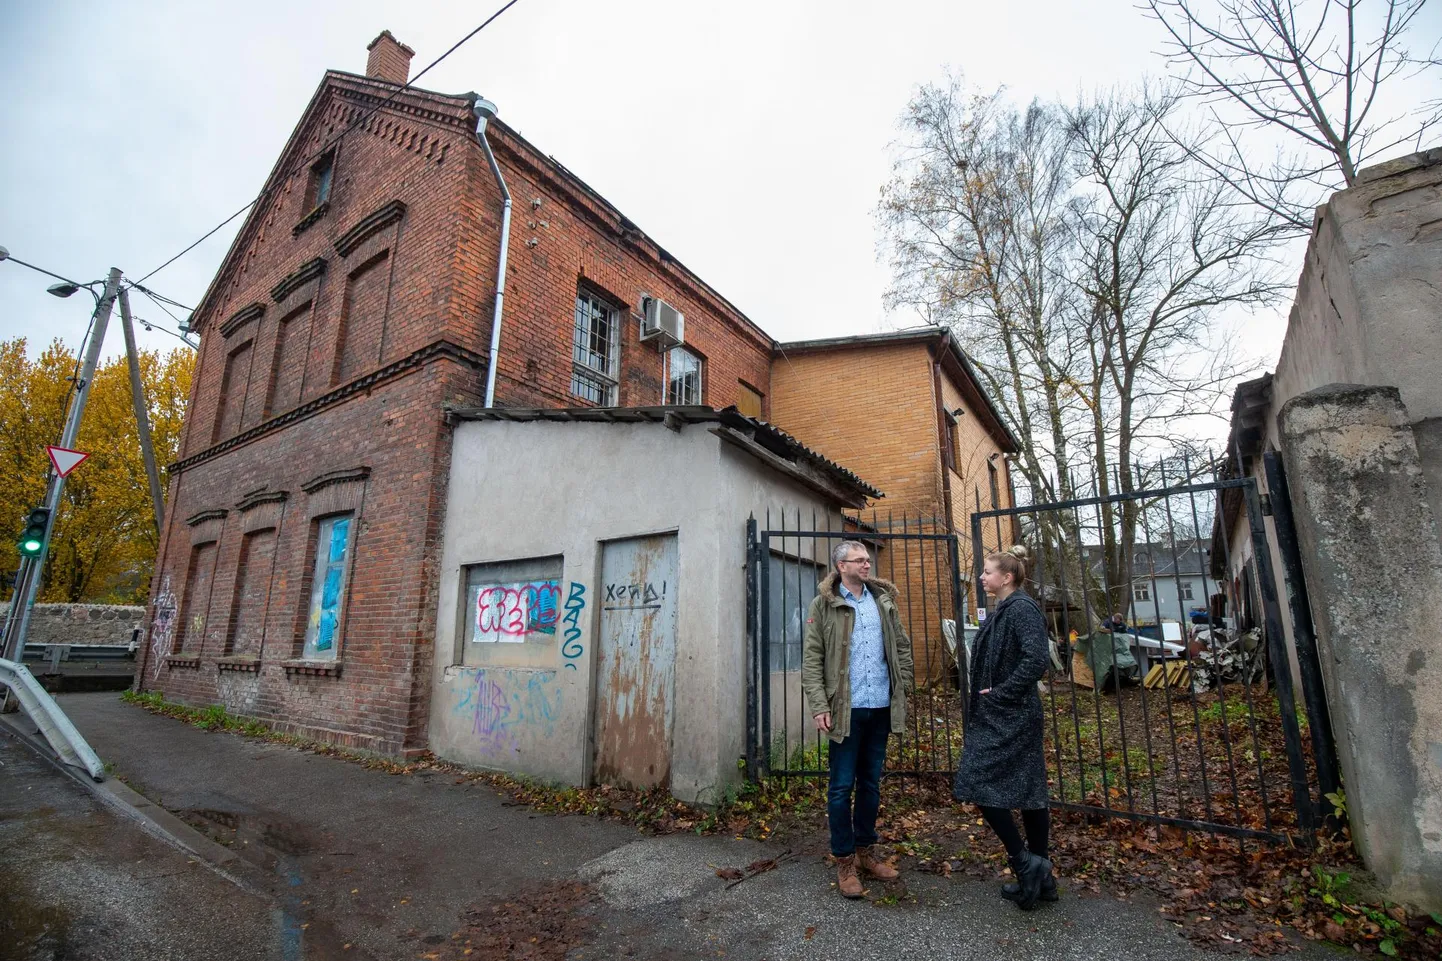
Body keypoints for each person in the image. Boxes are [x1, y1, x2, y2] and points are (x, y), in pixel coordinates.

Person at [801, 540, 915, 899]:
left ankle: (866, 852)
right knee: (840, 788)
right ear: (841, 566)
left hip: (879, 707)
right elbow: (812, 659)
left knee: (870, 784)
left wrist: (904, 686)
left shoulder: (883, 602)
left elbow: (901, 647)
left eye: (868, 560)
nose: (868, 565)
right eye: (860, 560)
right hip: (844, 712)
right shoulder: (824, 605)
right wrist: (820, 705)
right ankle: (845, 860)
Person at [952, 544, 1057, 910]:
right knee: (1029, 790)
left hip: (1010, 714)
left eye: (987, 572)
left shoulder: (1022, 609)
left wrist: (1000, 694)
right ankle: (1042, 878)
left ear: (1006, 577)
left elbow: (1036, 660)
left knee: (976, 780)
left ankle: (1025, 862)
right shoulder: (1006, 609)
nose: (982, 577)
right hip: (1004, 713)